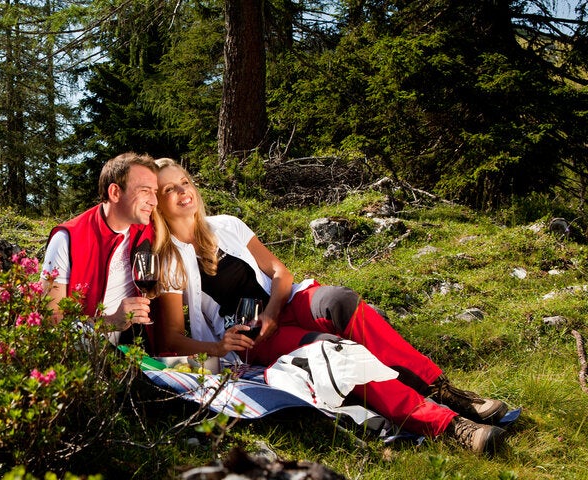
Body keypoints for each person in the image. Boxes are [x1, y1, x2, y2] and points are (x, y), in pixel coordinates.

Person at [151, 157, 510, 453]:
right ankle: (448, 425)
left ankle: (443, 389)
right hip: (252, 337)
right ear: (158, 203)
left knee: (341, 301)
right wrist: (219, 346)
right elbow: (171, 339)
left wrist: (274, 311)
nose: (184, 192)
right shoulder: (169, 260)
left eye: (185, 182)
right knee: (333, 353)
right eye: (170, 189)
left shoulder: (226, 224)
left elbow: (279, 271)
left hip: (283, 304)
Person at [38, 152, 159, 345]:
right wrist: (111, 321)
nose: (154, 201)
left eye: (155, 191)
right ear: (115, 192)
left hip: (130, 349)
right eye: (145, 190)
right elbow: (49, 320)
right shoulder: (67, 238)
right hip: (74, 352)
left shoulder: (148, 227)